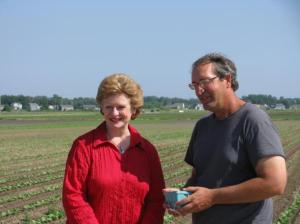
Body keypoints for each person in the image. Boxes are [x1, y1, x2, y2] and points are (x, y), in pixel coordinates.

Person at [164, 53, 287, 223]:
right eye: (194, 85)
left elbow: (275, 183)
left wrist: (213, 197)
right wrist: (183, 198)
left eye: (204, 82)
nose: (199, 91)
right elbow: (199, 175)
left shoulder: (253, 120)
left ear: (227, 80)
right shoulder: (203, 126)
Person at [63, 73, 165, 224]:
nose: (114, 113)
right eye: (108, 107)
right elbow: (73, 195)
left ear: (133, 109)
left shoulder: (147, 150)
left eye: (120, 107)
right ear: (102, 109)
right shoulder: (84, 146)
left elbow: (156, 200)